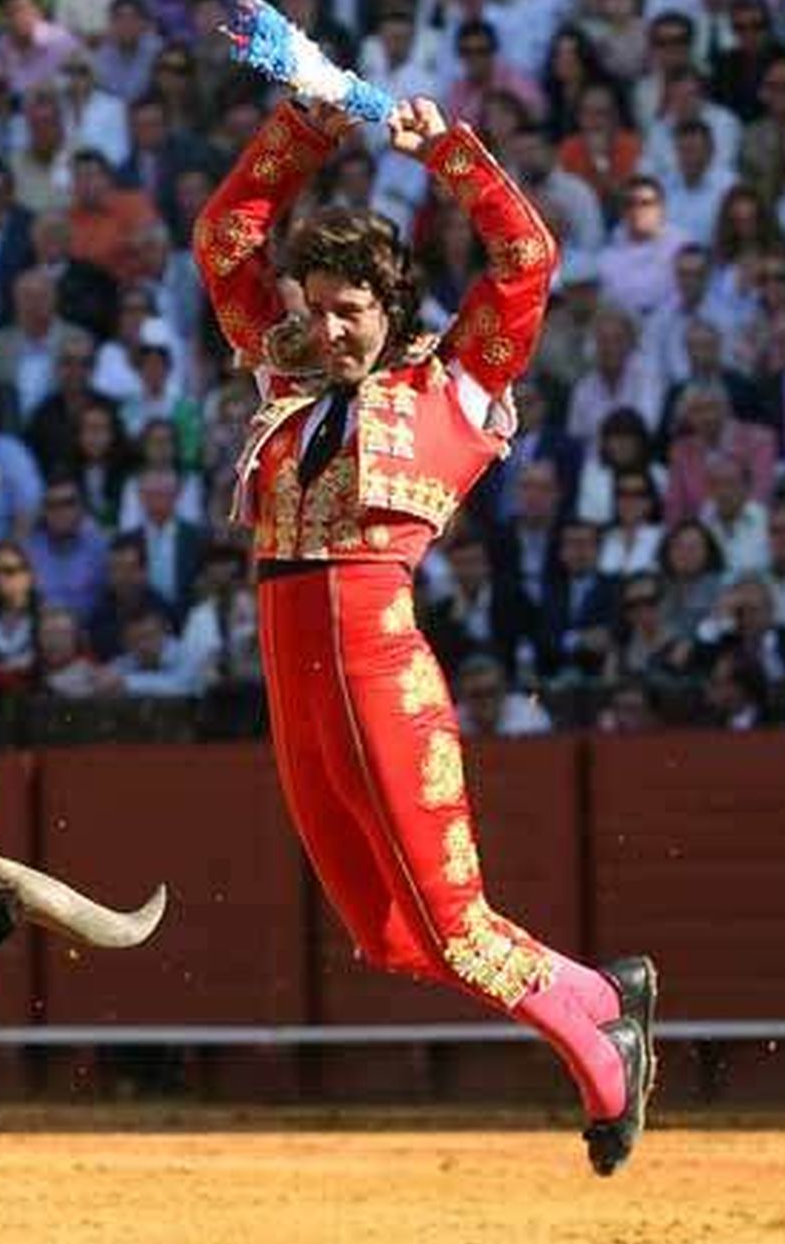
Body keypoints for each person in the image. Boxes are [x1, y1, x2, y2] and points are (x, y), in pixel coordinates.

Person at [194, 83, 656, 1175]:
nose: (326, 324)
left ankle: (603, 1061)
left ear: (388, 307)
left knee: (449, 923)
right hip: (292, 672)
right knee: (386, 935)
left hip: (375, 663)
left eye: (348, 306)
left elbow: (526, 257)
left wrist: (443, 150)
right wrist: (306, 125)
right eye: (312, 304)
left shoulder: (456, 379)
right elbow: (225, 238)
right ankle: (599, 992)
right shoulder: (284, 371)